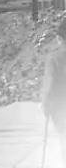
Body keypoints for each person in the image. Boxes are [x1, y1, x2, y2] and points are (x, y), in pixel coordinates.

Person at [41, 18, 66, 167]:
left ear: (60, 38)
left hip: (62, 111)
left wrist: (45, 106)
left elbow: (48, 86)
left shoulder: (54, 59)